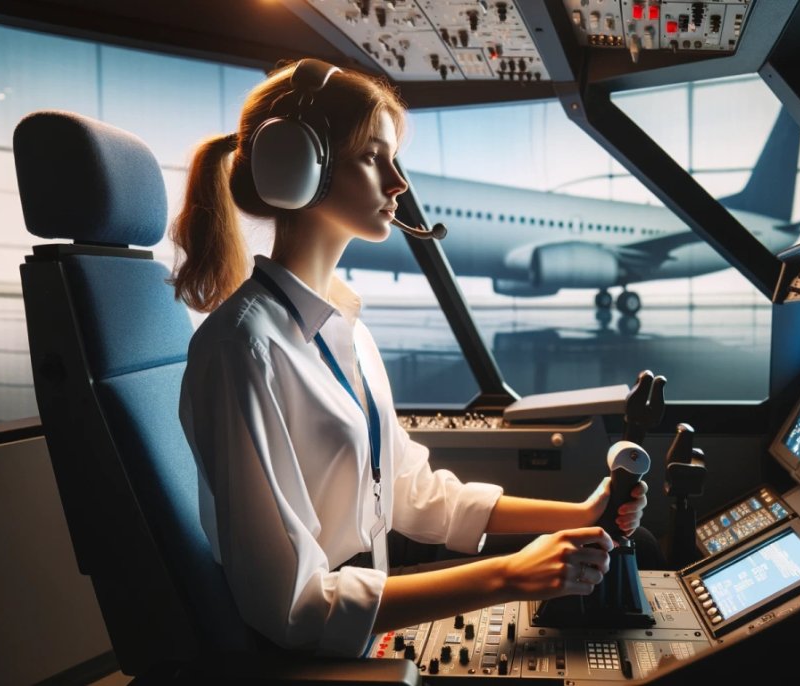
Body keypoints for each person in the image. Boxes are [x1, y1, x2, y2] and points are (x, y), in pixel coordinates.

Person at [172, 59, 647, 657]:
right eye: (373, 157)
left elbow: (412, 493)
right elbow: (290, 606)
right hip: (308, 660)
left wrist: (575, 512)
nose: (398, 183)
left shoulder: (346, 331)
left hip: (361, 638)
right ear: (299, 166)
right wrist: (507, 577)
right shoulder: (244, 349)